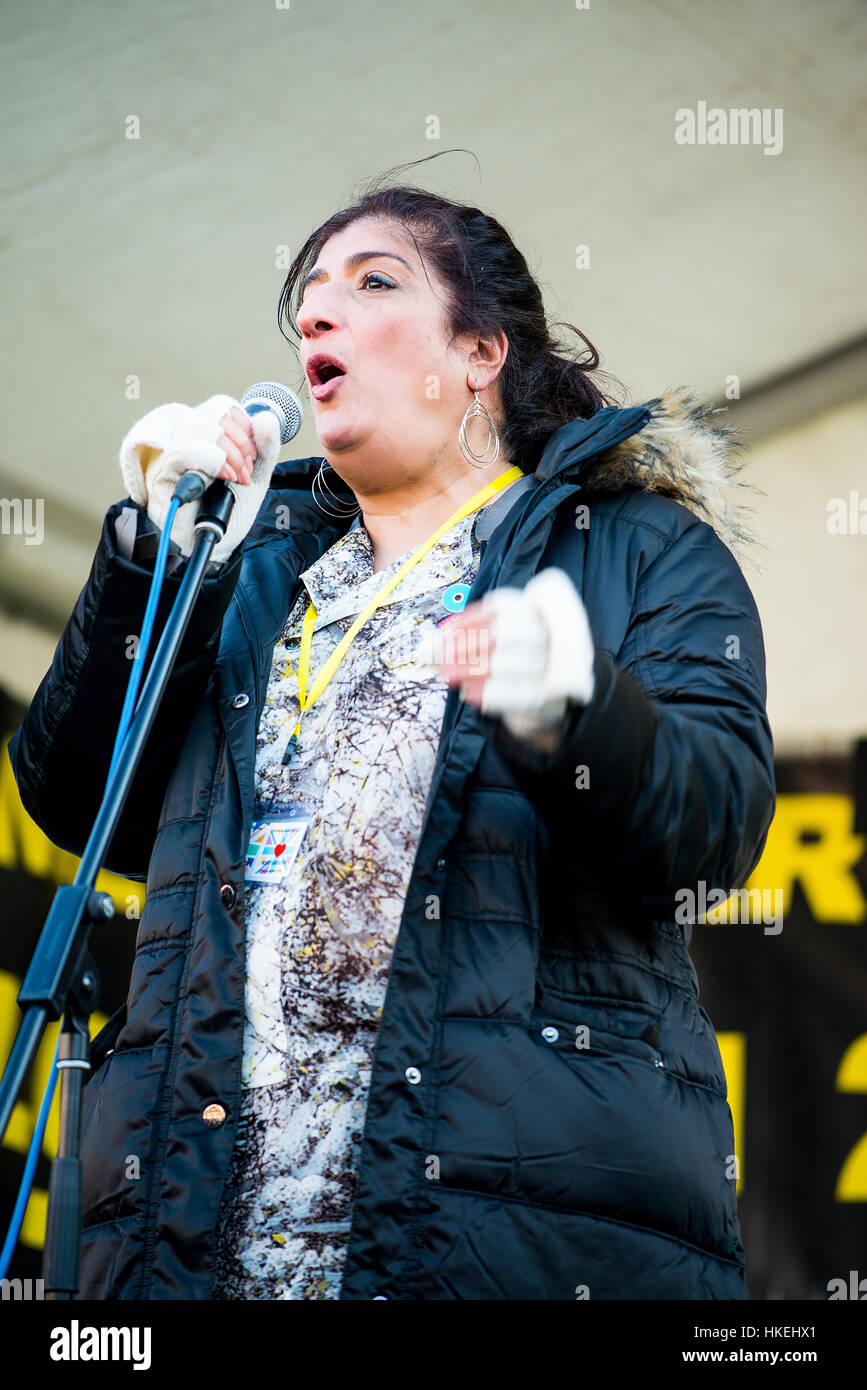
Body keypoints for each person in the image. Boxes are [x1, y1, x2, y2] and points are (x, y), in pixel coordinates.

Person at [8, 162, 775, 1301]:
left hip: (493, 1235)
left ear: (479, 353)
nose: (317, 312)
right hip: (205, 1243)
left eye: (373, 283)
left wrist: (577, 709)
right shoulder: (251, 570)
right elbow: (81, 805)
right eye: (309, 295)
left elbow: (710, 836)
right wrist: (152, 562)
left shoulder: (636, 548)